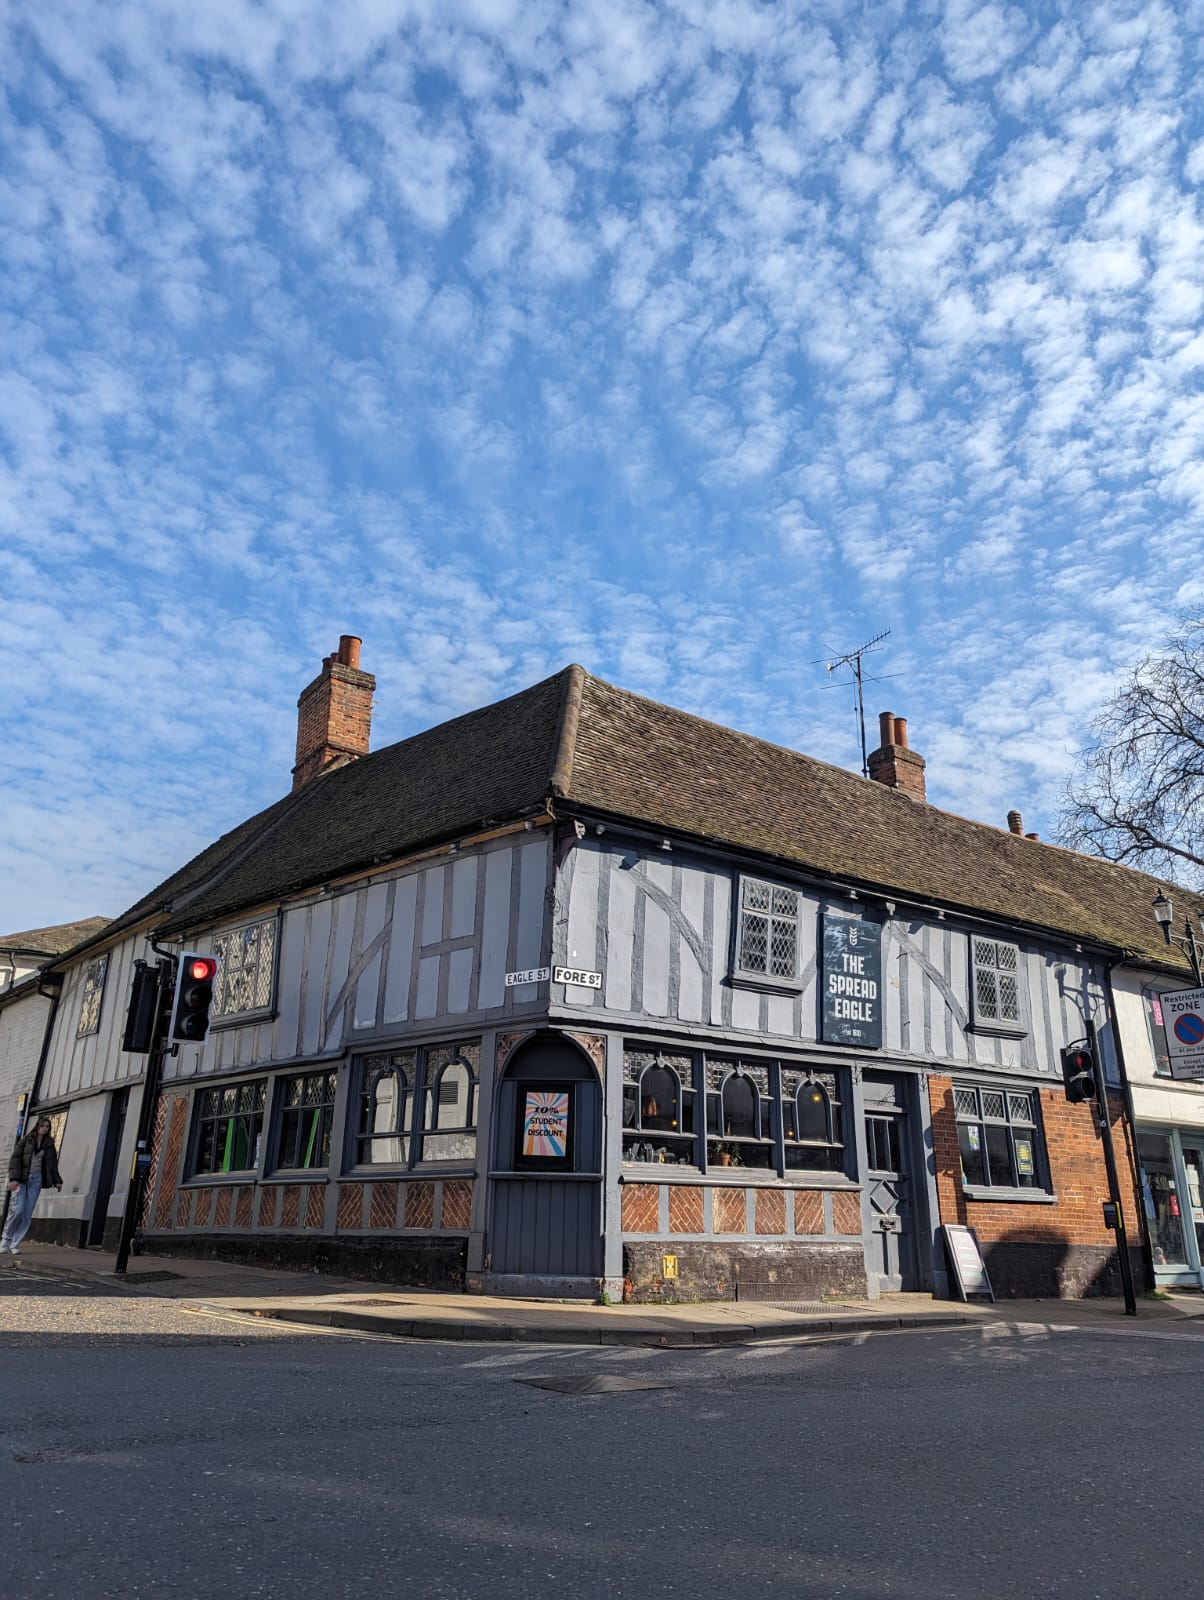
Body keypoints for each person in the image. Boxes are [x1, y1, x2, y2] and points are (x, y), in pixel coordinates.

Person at [1, 1116, 63, 1262]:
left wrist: (57, 1181)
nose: (45, 1128)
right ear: (38, 1126)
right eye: (43, 1126)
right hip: (22, 1179)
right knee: (18, 1210)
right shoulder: (27, 1140)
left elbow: (52, 1165)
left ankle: (15, 1244)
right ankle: (5, 1240)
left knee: (27, 1212)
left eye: (47, 1127)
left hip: (36, 1180)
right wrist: (14, 1178)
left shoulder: (49, 1144)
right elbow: (15, 1158)